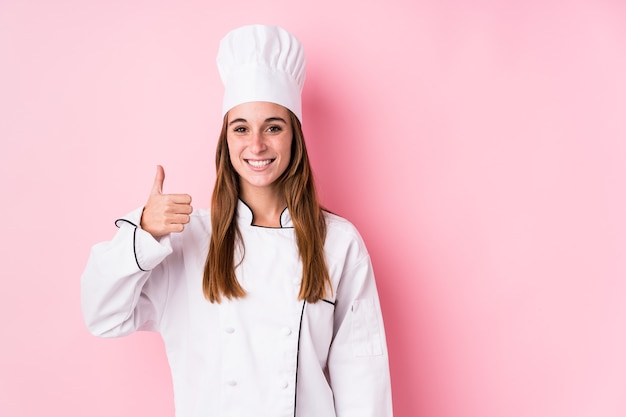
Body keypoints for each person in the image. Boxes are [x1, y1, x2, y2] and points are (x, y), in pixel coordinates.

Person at [81, 24, 393, 417]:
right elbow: (101, 315)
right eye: (241, 128)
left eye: (273, 127)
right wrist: (142, 231)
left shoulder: (338, 243)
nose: (256, 144)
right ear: (226, 140)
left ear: (294, 136)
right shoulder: (185, 239)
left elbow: (362, 378)